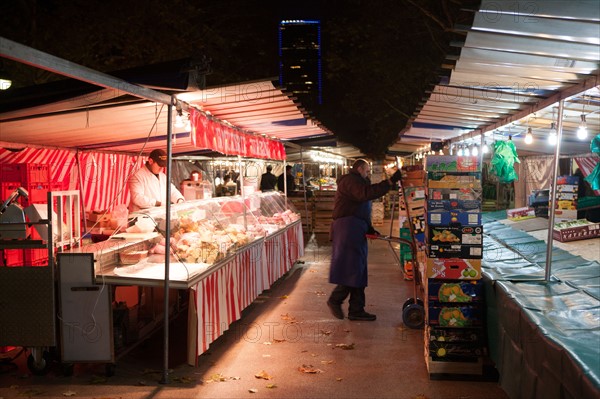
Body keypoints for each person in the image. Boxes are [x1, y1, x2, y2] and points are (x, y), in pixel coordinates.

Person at [326, 159, 402, 321]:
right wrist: (390, 181)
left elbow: (363, 207)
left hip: (356, 228)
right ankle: (336, 299)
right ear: (360, 169)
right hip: (348, 229)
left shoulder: (358, 181)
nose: (368, 173)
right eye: (367, 171)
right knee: (352, 268)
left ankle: (356, 309)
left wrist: (369, 227)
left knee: (358, 269)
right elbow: (365, 194)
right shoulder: (350, 181)